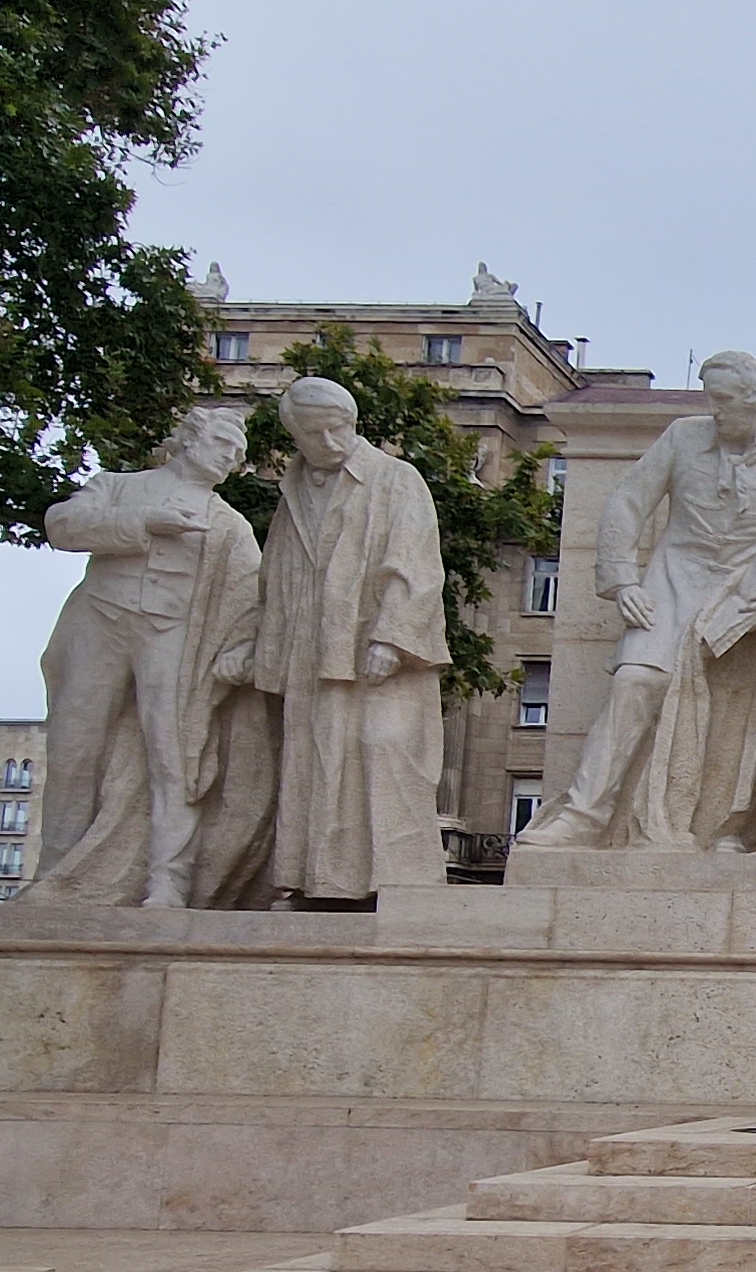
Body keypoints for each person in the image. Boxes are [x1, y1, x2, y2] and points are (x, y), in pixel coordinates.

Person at [530, 350, 756, 851]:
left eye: (724, 400)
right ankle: (582, 816)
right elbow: (628, 501)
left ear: (755, 401)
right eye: (712, 399)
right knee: (635, 682)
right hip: (671, 583)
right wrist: (623, 581)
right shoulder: (683, 437)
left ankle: (722, 827)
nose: (715, 409)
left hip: (740, 605)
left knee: (735, 714)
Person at [28, 397, 274, 908]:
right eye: (222, 444)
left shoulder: (229, 525)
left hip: (172, 635)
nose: (230, 458)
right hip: (99, 621)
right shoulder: (120, 487)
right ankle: (56, 871)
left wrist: (243, 648)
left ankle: (168, 881)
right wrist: (142, 523)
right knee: (74, 748)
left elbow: (251, 598)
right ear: (189, 438)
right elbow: (63, 525)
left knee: (175, 753)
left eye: (237, 454)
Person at [247, 376, 449, 902]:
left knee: (385, 754)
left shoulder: (395, 479)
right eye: (315, 434)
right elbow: (274, 577)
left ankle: (395, 882)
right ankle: (316, 882)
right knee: (312, 763)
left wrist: (393, 638)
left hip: (376, 652)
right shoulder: (291, 493)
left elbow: (415, 564)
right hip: (308, 652)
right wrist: (263, 649)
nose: (331, 442)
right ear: (295, 435)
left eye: (339, 428)